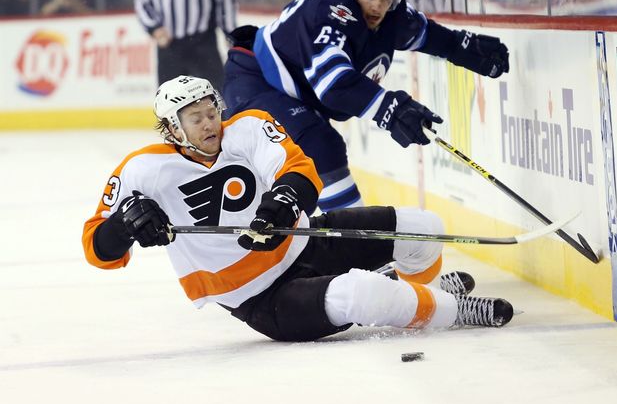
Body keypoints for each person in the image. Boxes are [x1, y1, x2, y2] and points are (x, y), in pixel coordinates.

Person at [82, 75, 513, 342]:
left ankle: (423, 294)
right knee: (362, 293)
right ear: (173, 128)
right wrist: (124, 225)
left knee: (423, 228)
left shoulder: (247, 127)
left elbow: (301, 172)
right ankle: (452, 313)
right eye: (195, 118)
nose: (210, 122)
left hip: (304, 243)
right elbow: (98, 249)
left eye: (211, 111)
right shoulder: (142, 170)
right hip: (261, 298)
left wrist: (280, 209)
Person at [223, 0, 509, 212]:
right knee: (320, 147)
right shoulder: (334, 11)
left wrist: (466, 48)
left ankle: (343, 241)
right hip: (256, 80)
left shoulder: (391, 12)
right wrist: (392, 110)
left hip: (291, 88)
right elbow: (334, 86)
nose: (377, 6)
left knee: (317, 149)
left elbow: (427, 35)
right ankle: (357, 246)